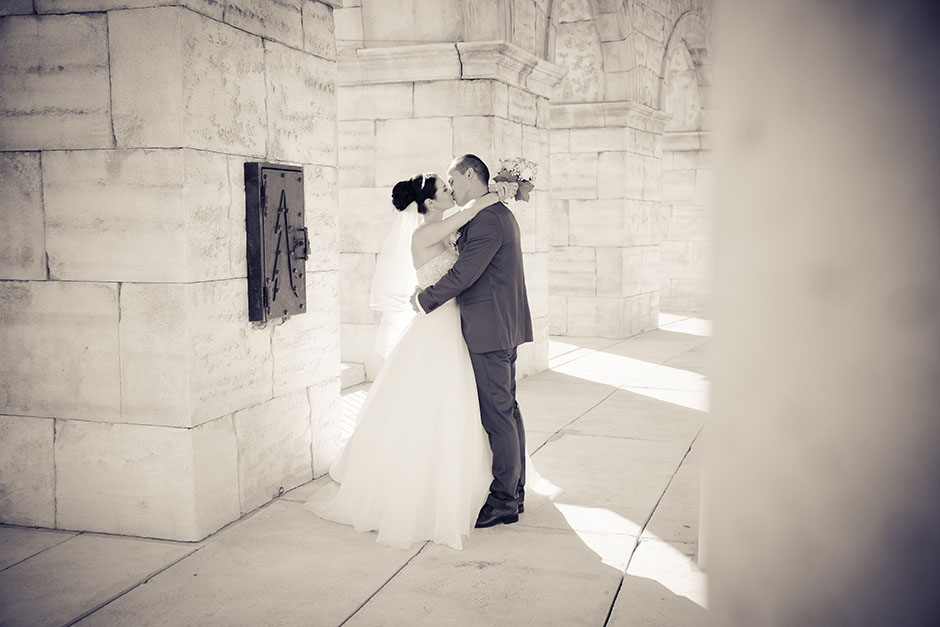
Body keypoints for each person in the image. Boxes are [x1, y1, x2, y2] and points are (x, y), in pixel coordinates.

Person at [304, 172, 511, 550]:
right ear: (430, 203)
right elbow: (470, 213)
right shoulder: (425, 234)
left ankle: (463, 482)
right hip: (439, 327)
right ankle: (425, 488)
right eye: (445, 189)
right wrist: (495, 192)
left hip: (453, 323)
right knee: (437, 402)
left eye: (452, 186)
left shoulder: (440, 230)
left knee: (455, 404)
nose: (452, 191)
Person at [414, 154, 533, 529]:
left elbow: (465, 273)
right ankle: (515, 490)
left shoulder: (487, 220)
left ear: (469, 174)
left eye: (454, 179)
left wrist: (424, 298)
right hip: (499, 324)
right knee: (507, 410)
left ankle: (503, 501)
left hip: (490, 328)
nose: (452, 187)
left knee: (498, 414)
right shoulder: (491, 214)